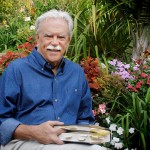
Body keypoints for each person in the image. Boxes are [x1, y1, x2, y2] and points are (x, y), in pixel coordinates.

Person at [0, 9, 107, 150]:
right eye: (49, 36)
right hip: (24, 141)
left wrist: (90, 135)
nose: (55, 43)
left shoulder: (76, 72)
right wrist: (34, 132)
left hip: (69, 142)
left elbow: (84, 119)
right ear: (38, 38)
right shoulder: (16, 70)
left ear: (68, 41)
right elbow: (2, 120)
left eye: (61, 37)